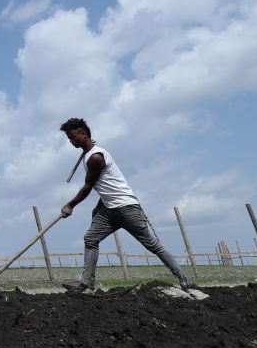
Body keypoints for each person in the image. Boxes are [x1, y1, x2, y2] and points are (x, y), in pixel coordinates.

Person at [57, 118, 197, 292]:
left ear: (84, 134)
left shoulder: (96, 157)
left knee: (153, 245)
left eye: (73, 137)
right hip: (109, 209)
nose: (71, 142)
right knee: (91, 239)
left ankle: (184, 279)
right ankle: (86, 285)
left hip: (126, 208)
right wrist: (99, 207)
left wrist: (70, 205)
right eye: (69, 139)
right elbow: (107, 186)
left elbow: (88, 187)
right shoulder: (89, 155)